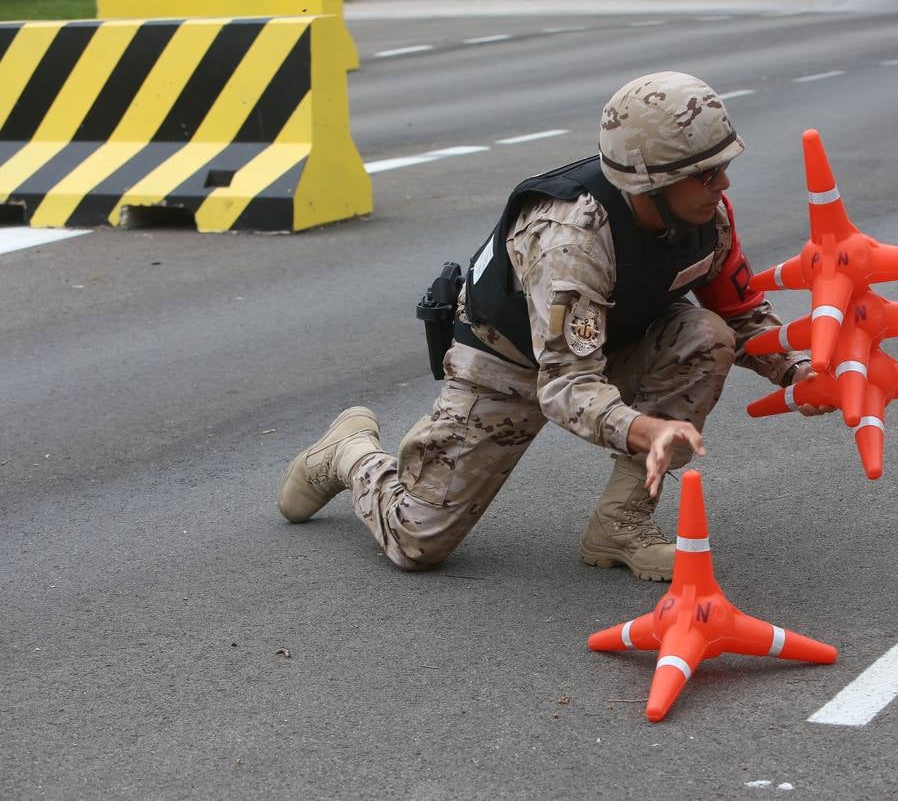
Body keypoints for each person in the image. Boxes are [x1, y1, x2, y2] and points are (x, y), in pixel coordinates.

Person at [276, 71, 825, 582]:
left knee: (706, 336)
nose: (723, 182)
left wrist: (801, 374)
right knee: (416, 541)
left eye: (723, 166)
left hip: (612, 342)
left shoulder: (706, 215)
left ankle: (619, 525)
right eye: (707, 173)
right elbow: (565, 386)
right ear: (650, 181)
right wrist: (646, 429)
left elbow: (739, 313)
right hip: (507, 363)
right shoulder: (573, 239)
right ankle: (349, 450)